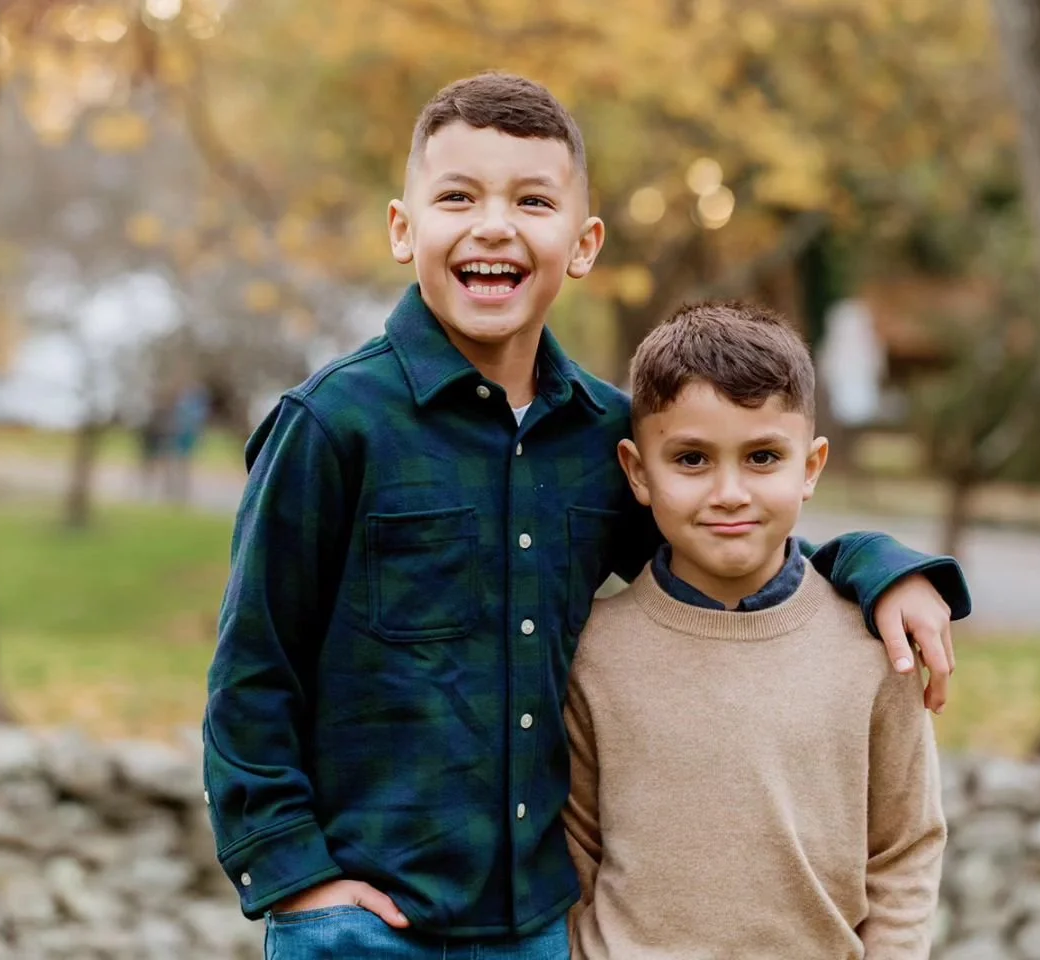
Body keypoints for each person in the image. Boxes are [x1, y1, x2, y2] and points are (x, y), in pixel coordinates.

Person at [203, 72, 968, 960]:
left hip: (542, 926)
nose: (494, 224)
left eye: (533, 200)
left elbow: (728, 546)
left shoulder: (609, 438)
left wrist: (879, 568)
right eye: (458, 197)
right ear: (403, 229)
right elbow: (253, 672)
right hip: (366, 926)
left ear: (583, 243)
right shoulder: (333, 426)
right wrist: (300, 882)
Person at [565, 301, 947, 960]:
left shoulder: (875, 647)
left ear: (812, 466)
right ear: (637, 472)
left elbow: (904, 849)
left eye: (763, 456)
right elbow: (575, 861)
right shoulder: (592, 653)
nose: (730, 492)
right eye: (691, 460)